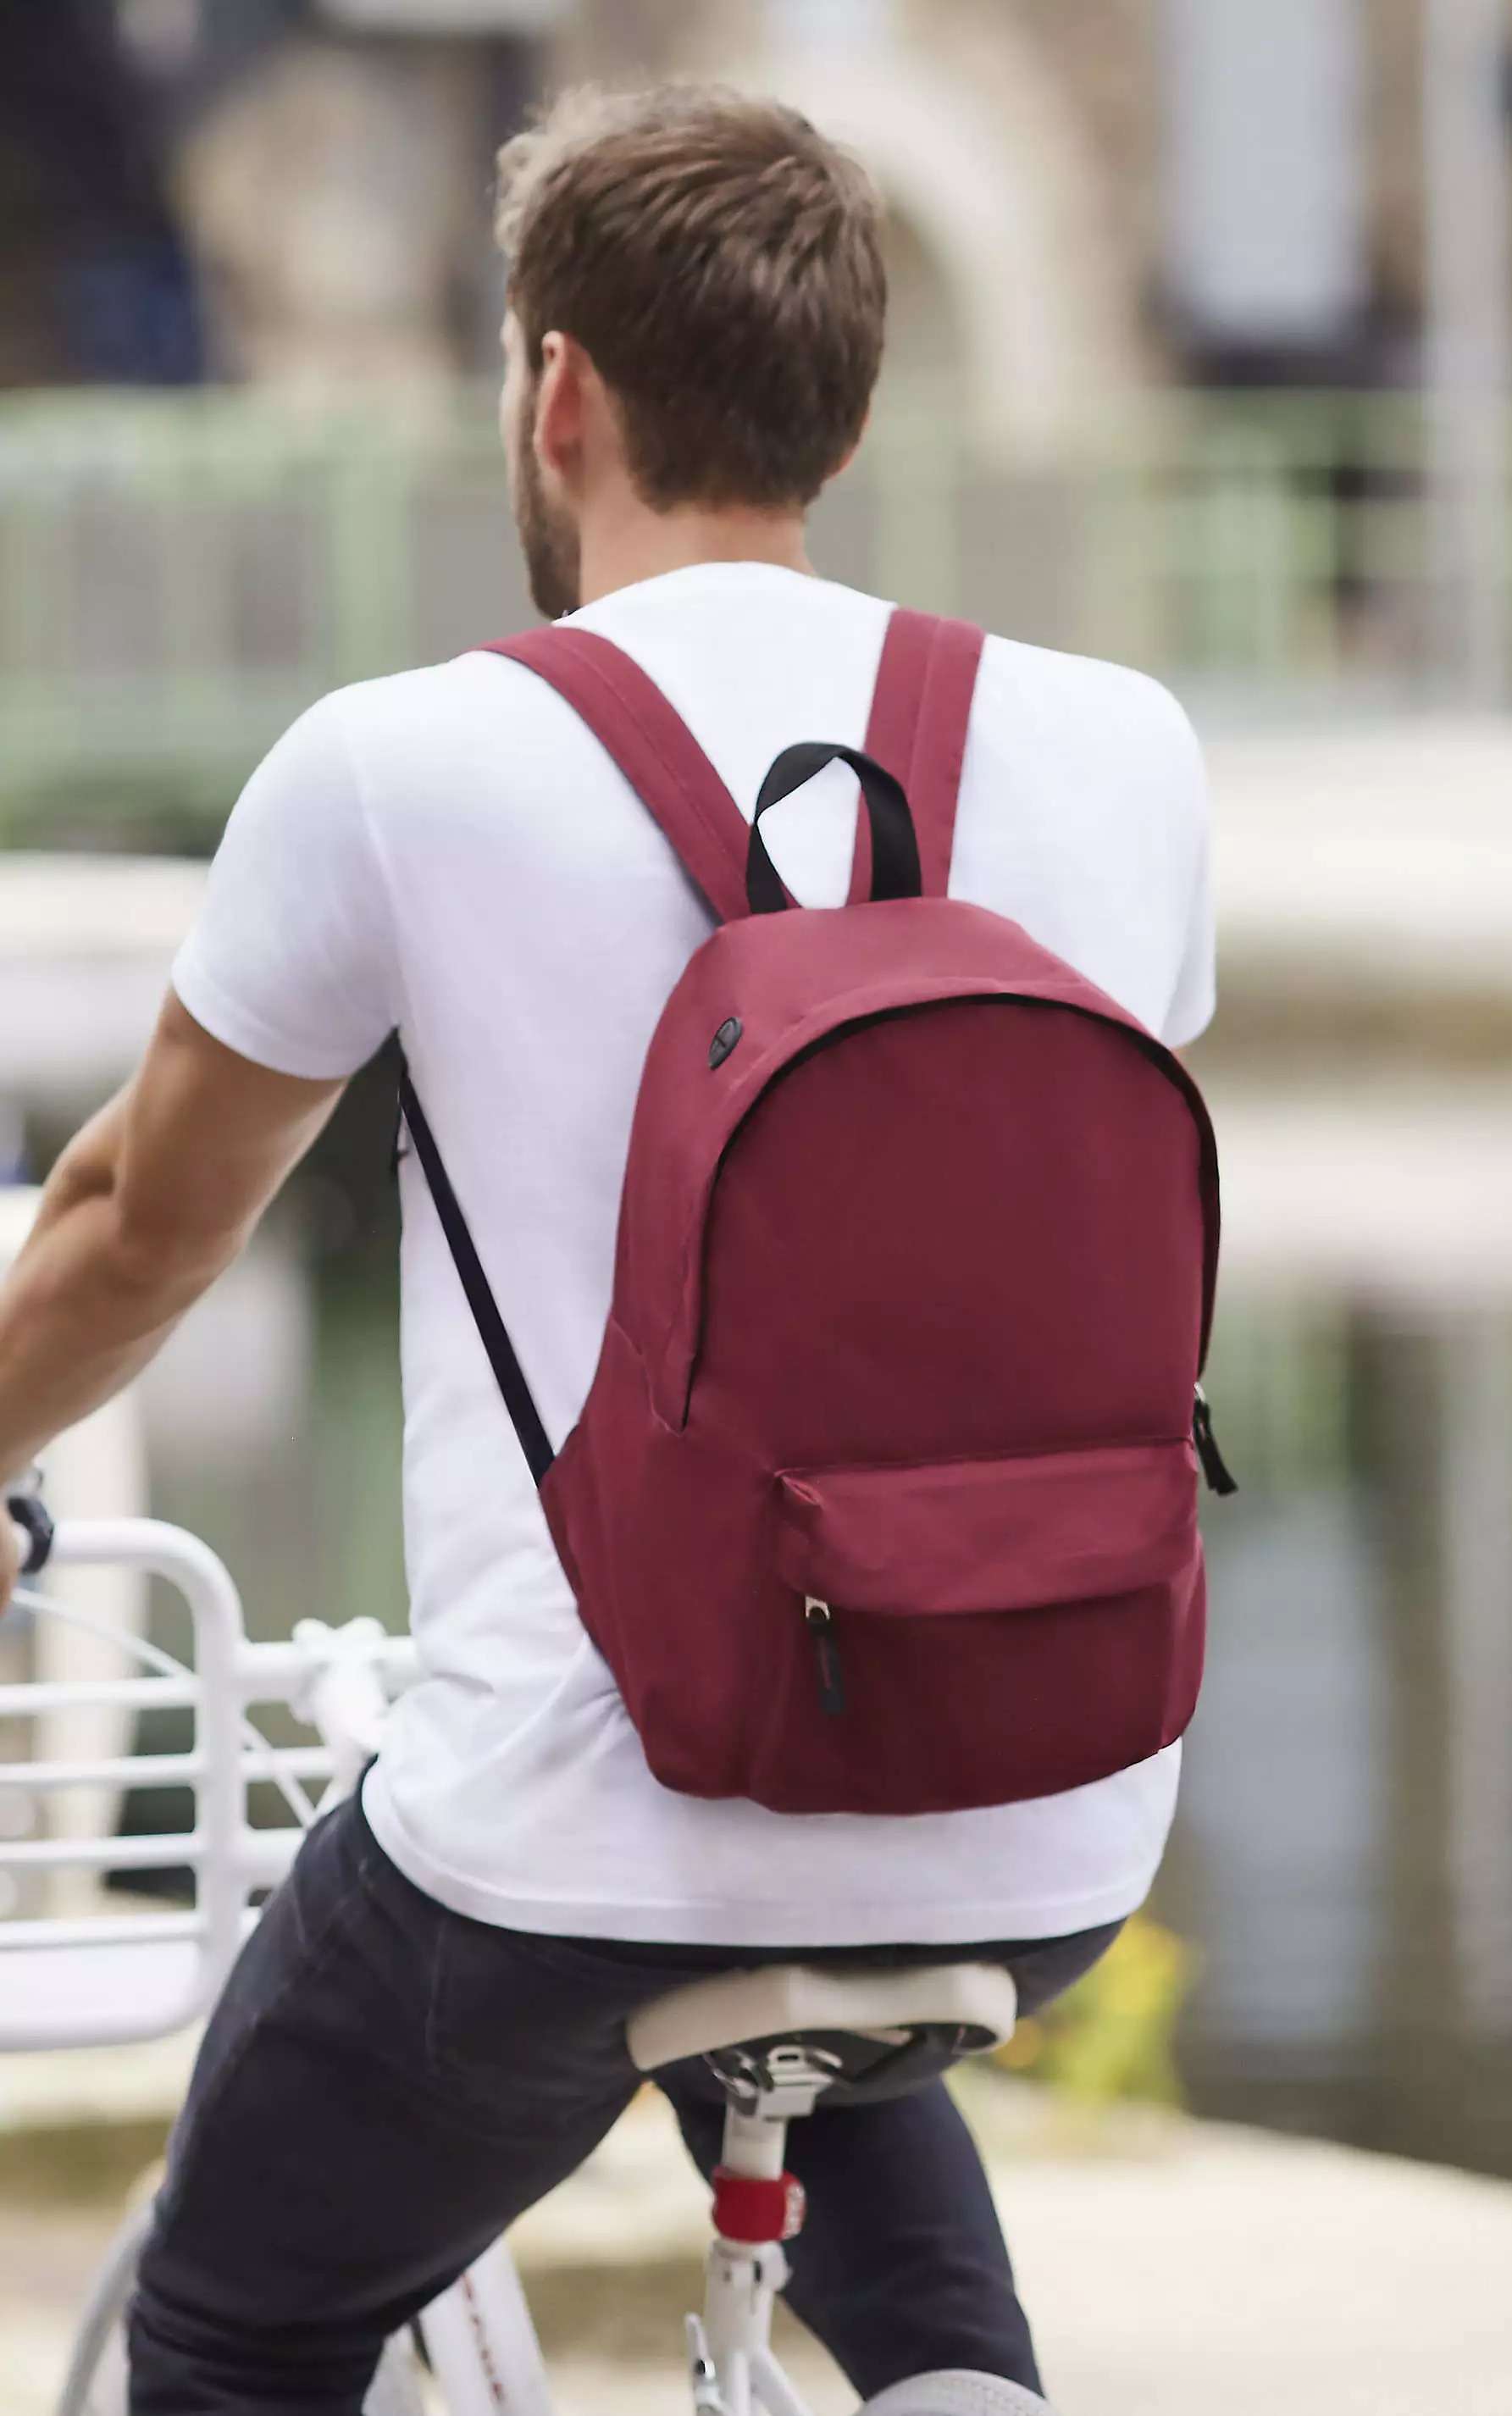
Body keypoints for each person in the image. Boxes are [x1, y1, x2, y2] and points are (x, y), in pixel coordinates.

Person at [0, 85, 1214, 2416]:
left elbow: (133, 1232)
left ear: (555, 391)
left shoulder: (399, 765)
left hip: (565, 1845)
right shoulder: (1122, 750)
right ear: (845, 405)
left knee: (239, 2317)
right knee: (828, 1983)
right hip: (1049, 1823)